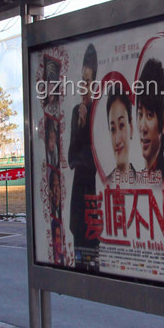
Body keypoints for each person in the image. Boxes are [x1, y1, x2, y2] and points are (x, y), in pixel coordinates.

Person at [68, 44, 98, 259]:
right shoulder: (75, 112)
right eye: (82, 80)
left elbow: (94, 157)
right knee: (79, 243)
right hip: (79, 190)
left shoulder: (99, 111)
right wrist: (79, 125)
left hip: (94, 189)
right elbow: (71, 157)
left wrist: (87, 124)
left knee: (93, 250)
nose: (83, 86)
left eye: (88, 81)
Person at [135, 57, 164, 183]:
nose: (142, 127)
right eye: (140, 114)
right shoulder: (137, 180)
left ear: (163, 121)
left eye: (149, 115)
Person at [107, 82, 136, 183]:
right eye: (113, 129)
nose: (117, 140)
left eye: (122, 125)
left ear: (131, 127)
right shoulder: (103, 185)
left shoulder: (144, 183)